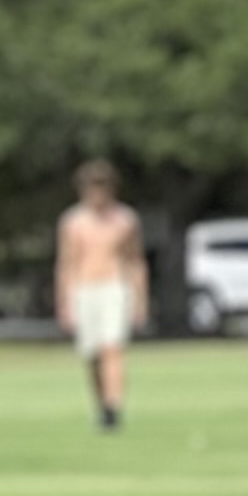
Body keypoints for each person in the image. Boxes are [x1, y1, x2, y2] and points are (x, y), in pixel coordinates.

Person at [54, 159, 149, 430]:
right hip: (84, 288)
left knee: (113, 348)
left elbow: (134, 260)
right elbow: (67, 263)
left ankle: (114, 407)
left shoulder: (125, 221)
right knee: (92, 353)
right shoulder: (73, 222)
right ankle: (101, 403)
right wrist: (64, 302)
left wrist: (140, 299)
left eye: (102, 188)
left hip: (115, 285)